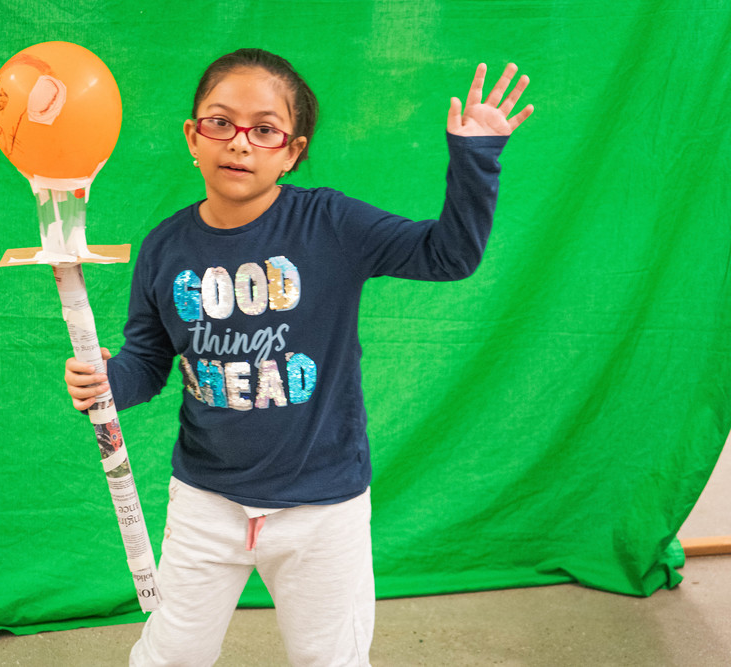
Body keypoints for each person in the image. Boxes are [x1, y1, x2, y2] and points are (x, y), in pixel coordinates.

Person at [64, 48, 532, 666]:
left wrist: (476, 158)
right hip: (207, 501)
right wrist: (105, 382)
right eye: (220, 123)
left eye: (264, 130)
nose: (239, 143)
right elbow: (147, 363)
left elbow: (449, 256)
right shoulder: (163, 247)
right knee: (169, 656)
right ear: (192, 137)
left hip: (322, 505)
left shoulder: (330, 224)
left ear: (292, 150)